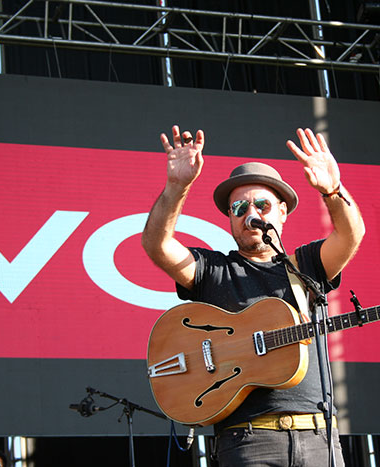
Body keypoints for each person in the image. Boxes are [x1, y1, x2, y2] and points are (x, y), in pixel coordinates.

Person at [142, 125, 365, 466]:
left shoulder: (305, 265)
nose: (251, 215)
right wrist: (177, 187)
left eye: (261, 204)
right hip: (246, 440)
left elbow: (351, 235)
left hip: (319, 436)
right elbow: (157, 246)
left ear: (282, 212)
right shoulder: (214, 270)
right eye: (239, 208)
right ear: (230, 219)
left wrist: (333, 191)